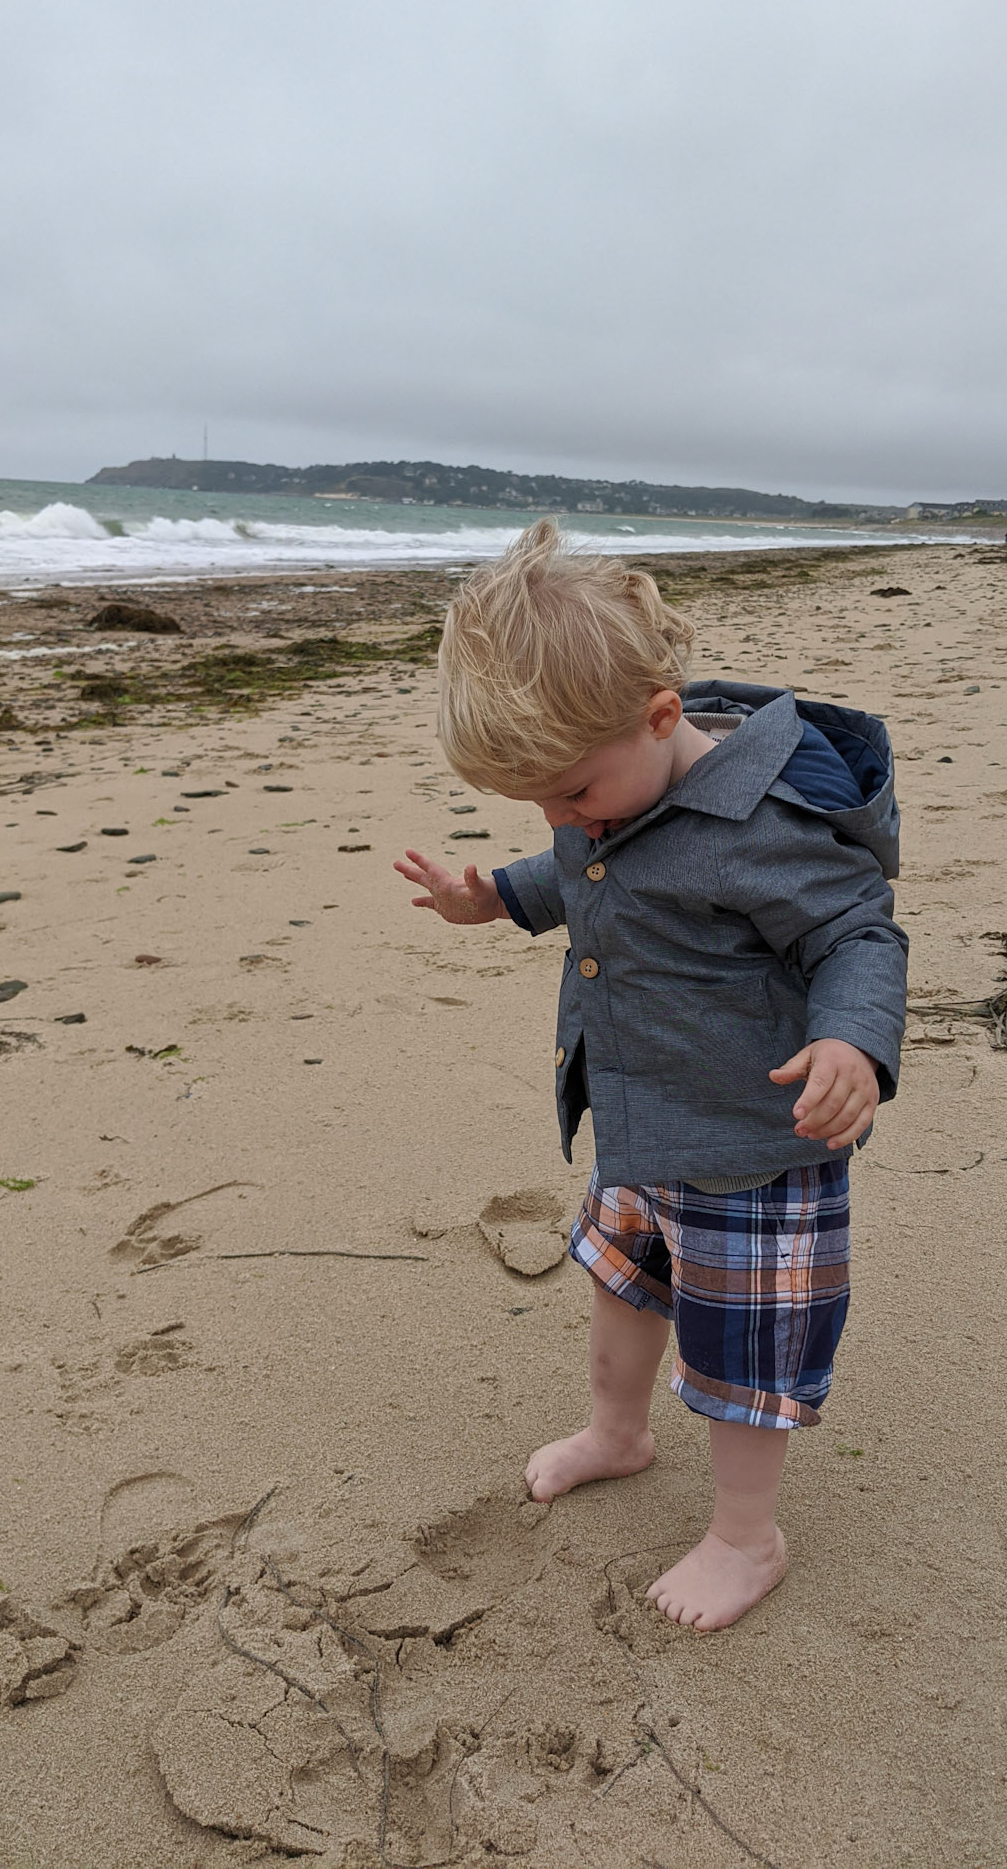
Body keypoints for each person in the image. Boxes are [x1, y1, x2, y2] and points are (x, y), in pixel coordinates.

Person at [393, 521, 906, 1631]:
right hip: (641, 1118)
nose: (560, 818)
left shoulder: (761, 822)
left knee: (742, 1346)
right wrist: (497, 897)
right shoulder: (606, 790)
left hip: (753, 1142)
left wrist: (853, 1044)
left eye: (571, 790)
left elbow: (858, 933)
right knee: (622, 1282)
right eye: (538, 803)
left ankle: (745, 1533)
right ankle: (617, 1433)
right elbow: (582, 867)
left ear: (662, 717)